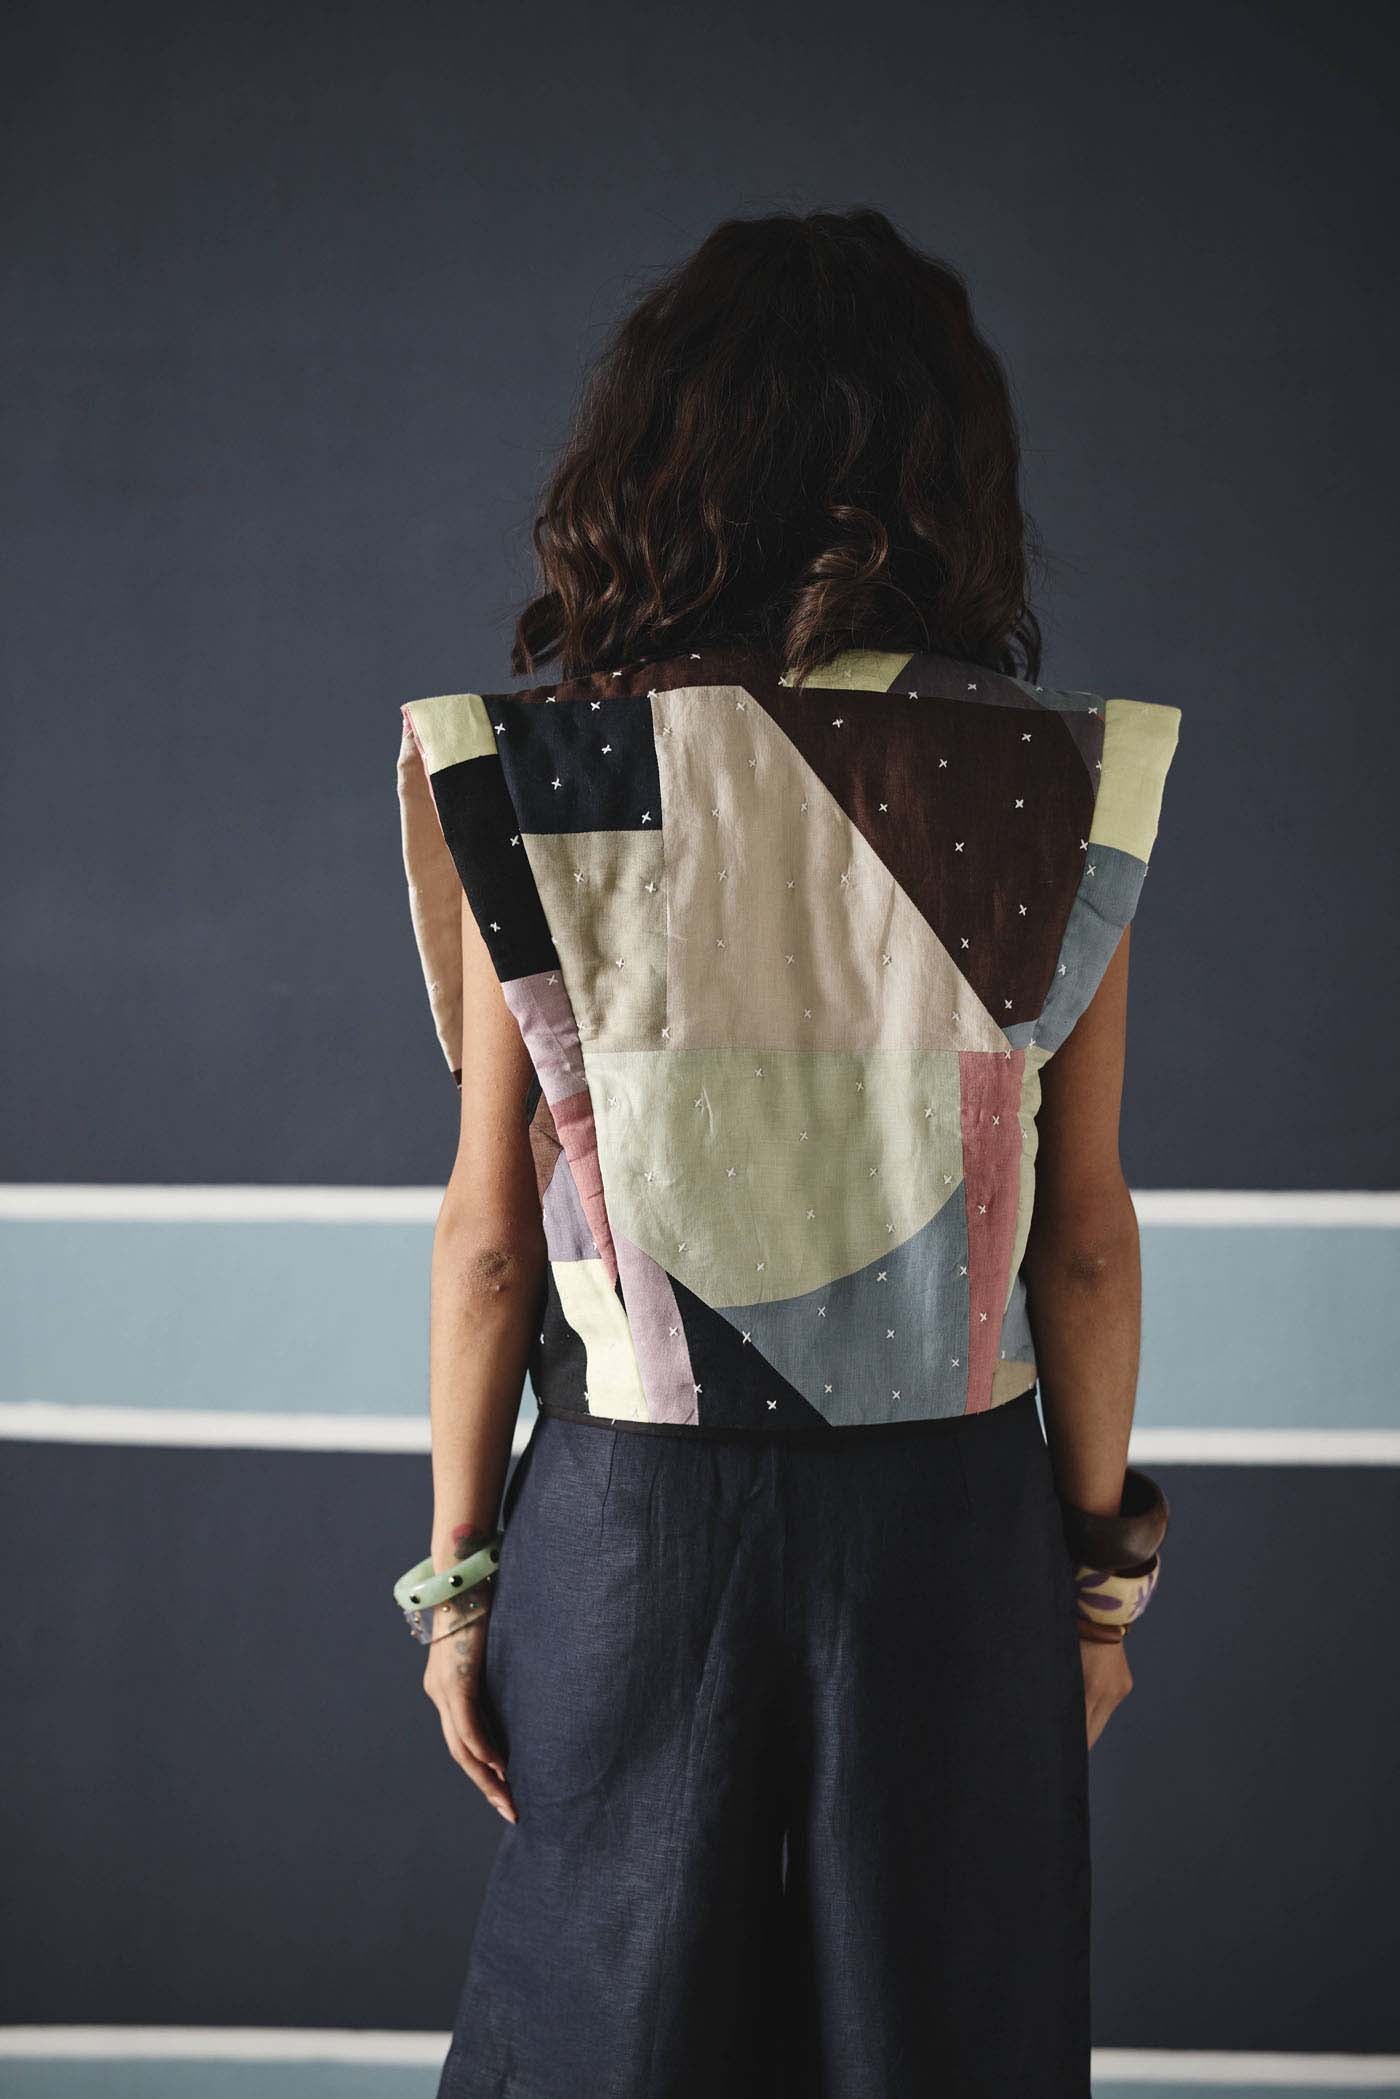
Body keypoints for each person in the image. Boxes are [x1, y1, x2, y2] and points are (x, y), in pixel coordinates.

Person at [392, 207, 1180, 2099]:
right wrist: (1099, 1589)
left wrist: (458, 1587)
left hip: (629, 1525)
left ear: (657, 454)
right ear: (943, 471)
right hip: (950, 1534)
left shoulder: (524, 767)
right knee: (941, 2042)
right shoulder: (1052, 777)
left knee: (609, 2043)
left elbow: (490, 1243)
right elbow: (1081, 1240)